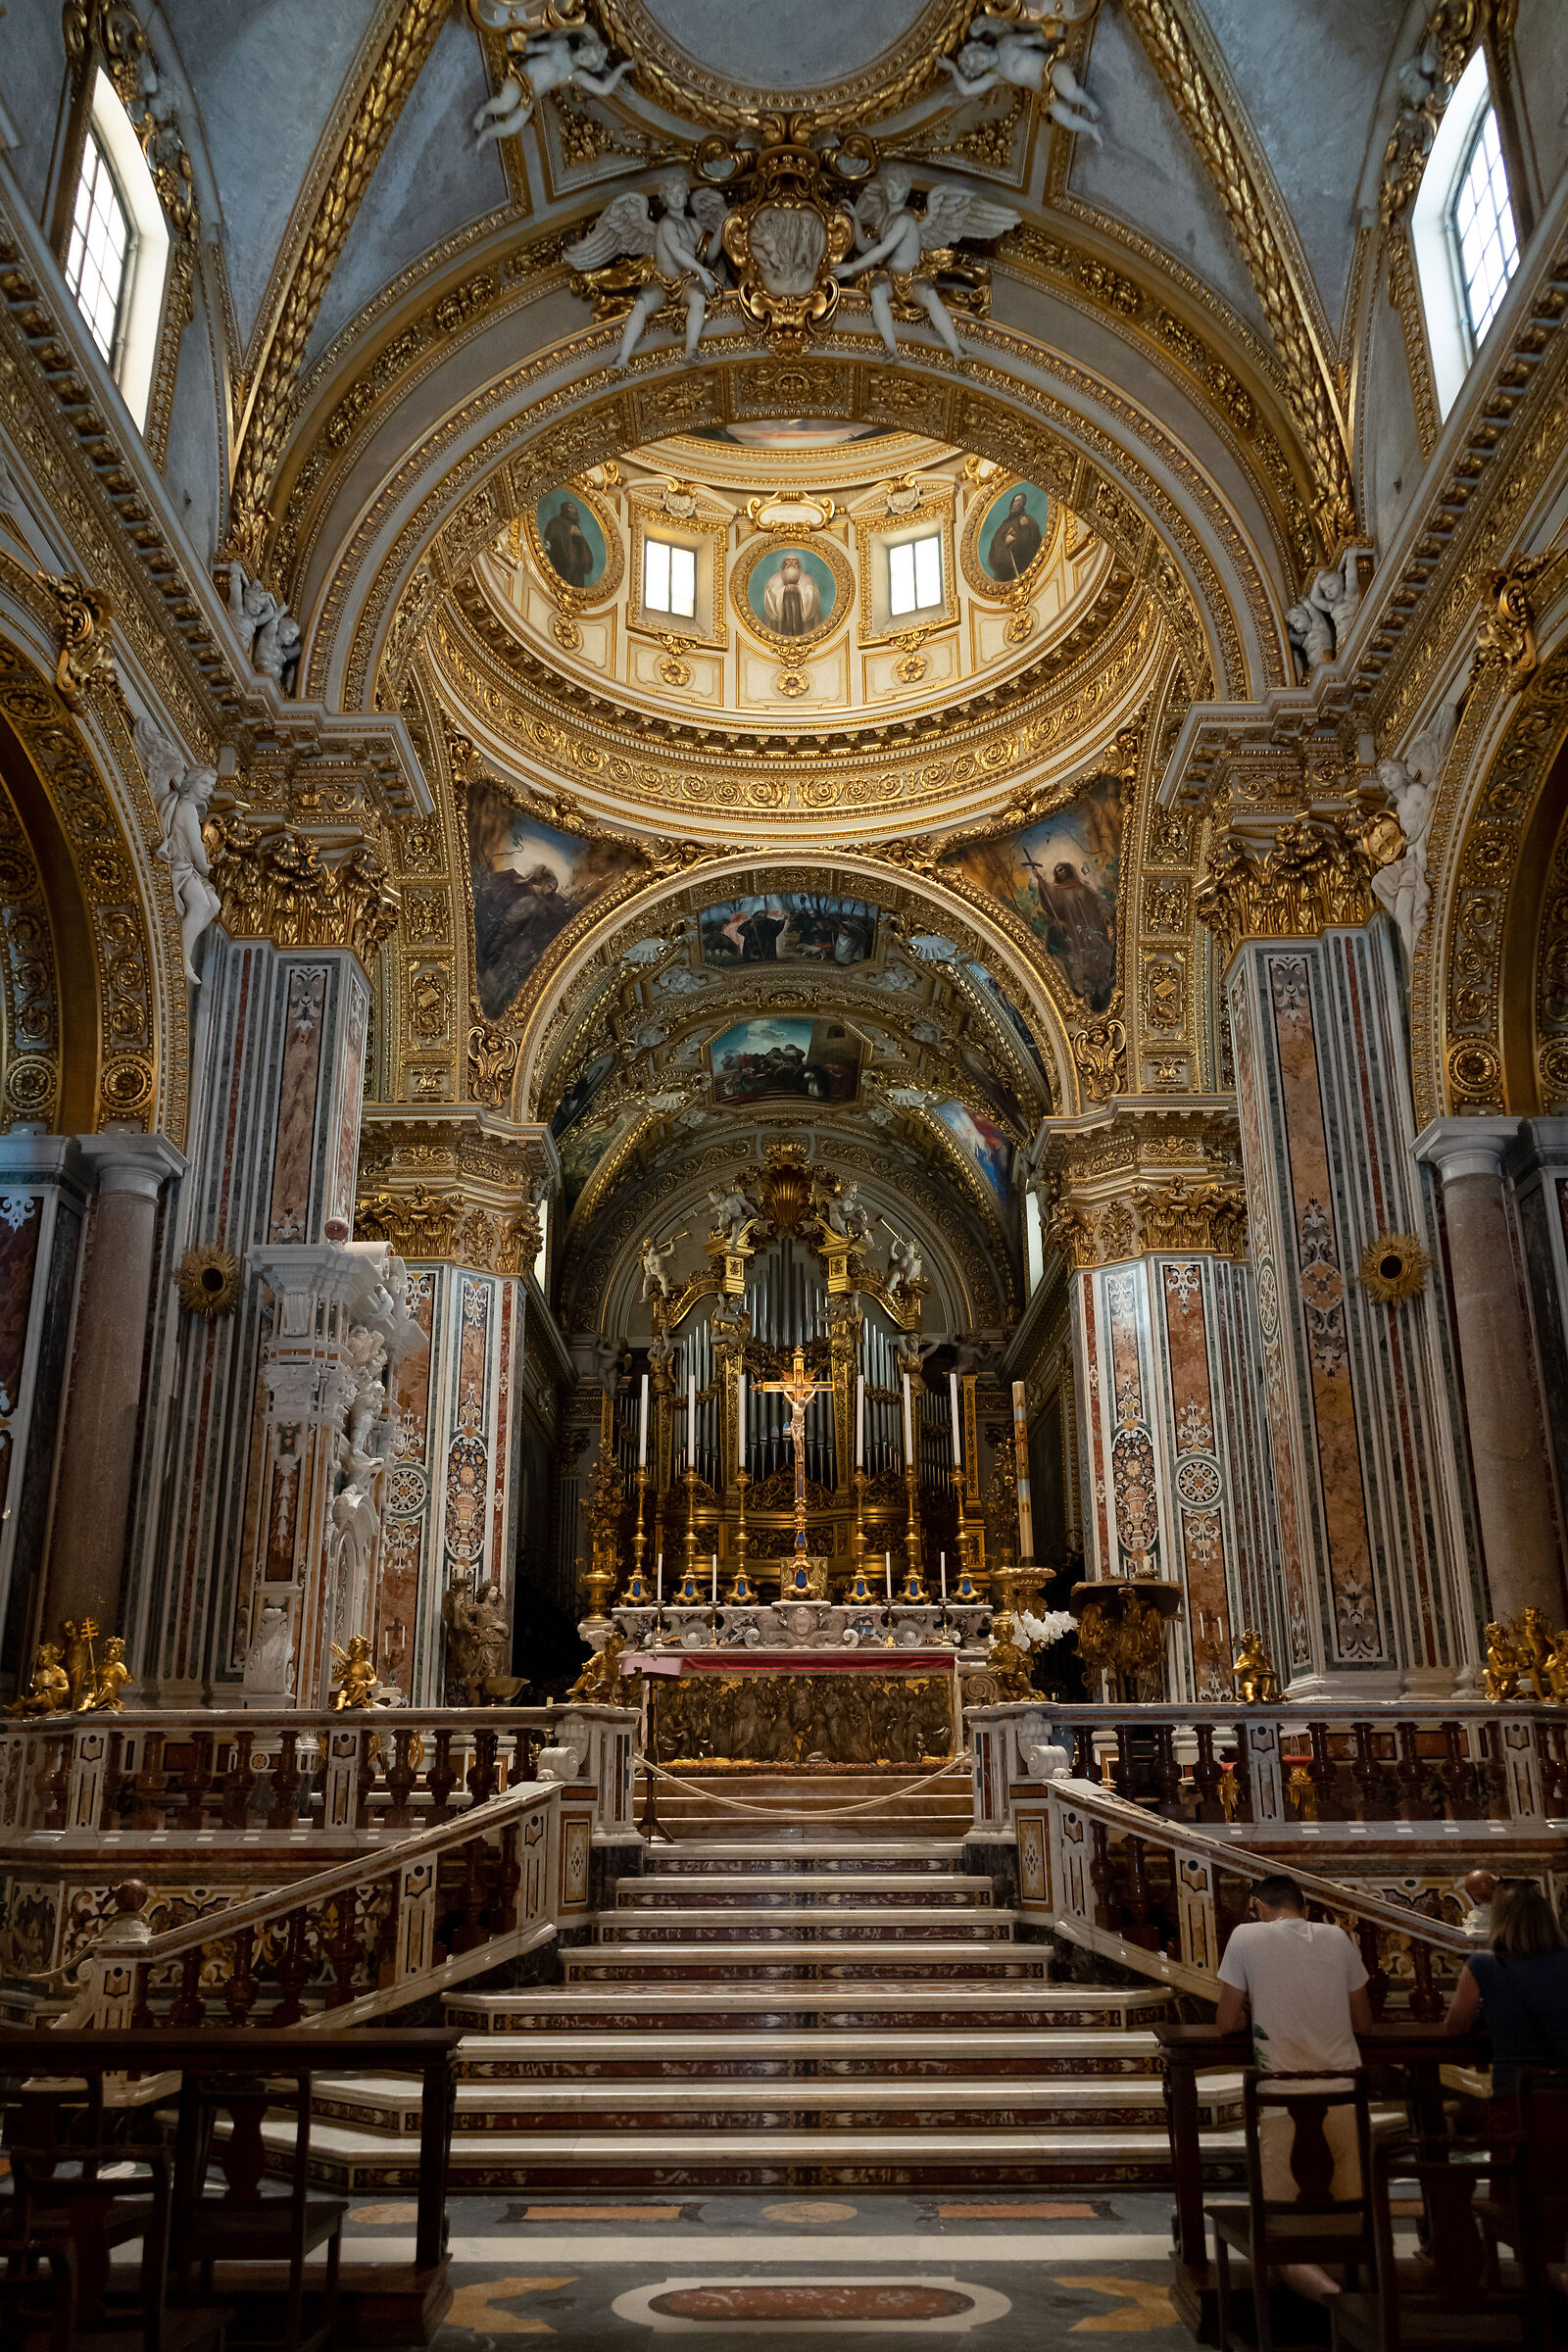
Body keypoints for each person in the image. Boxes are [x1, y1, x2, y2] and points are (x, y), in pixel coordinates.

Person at [1216, 1874, 1372, 2303]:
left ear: (1259, 1907)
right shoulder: (1338, 1937)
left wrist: (1255, 2016)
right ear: (1304, 1908)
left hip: (1282, 2099)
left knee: (1281, 2235)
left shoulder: (1246, 1936)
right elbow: (1364, 2023)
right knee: (1345, 2226)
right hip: (1346, 2096)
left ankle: (1336, 2305)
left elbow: (1226, 2022)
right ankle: (1358, 2304)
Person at [1445, 1878, 1568, 2120]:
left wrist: (1483, 2014)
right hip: (1563, 2091)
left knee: (1520, 2156)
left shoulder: (1483, 1966)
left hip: (1515, 2095)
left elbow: (1454, 2026)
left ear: (1499, 1921)